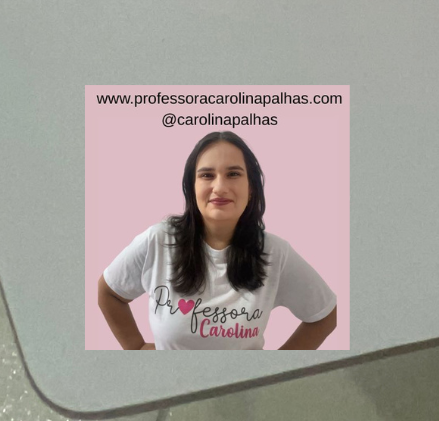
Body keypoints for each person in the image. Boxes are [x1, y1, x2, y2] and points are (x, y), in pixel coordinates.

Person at [97, 131, 337, 351]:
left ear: (251, 187)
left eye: (233, 174)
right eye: (207, 175)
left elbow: (325, 315)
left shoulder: (275, 253)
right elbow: (109, 293)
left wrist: (276, 369)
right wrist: (136, 347)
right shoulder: (158, 241)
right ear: (192, 187)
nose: (220, 187)